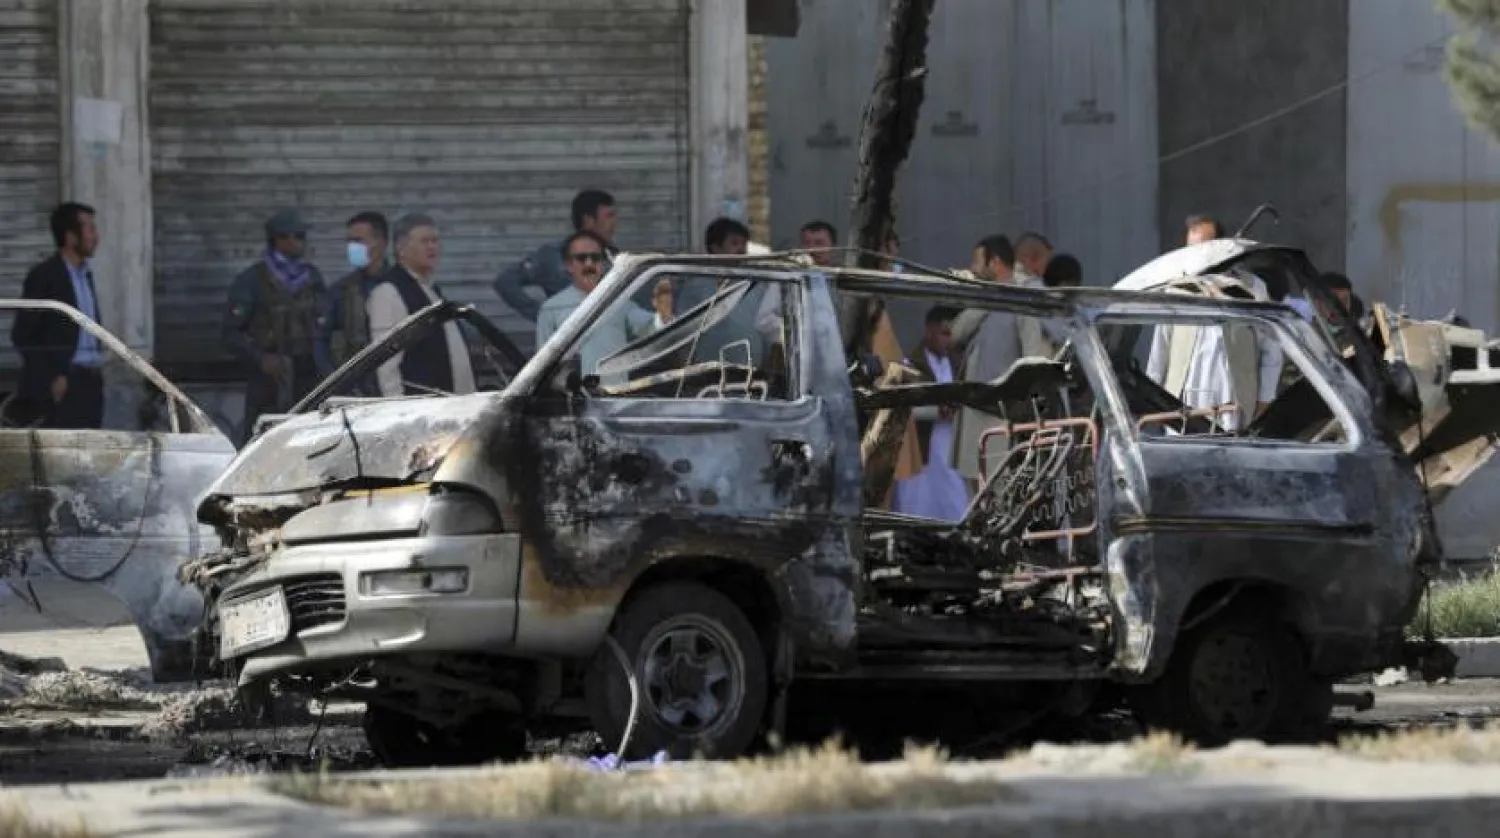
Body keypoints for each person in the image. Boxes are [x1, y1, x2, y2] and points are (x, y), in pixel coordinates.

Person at [223, 208, 327, 444]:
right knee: (262, 443)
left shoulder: (312, 277)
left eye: (300, 236)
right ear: (277, 240)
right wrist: (261, 358)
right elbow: (230, 334)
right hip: (268, 382)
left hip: (308, 377)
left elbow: (324, 325)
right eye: (291, 236)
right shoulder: (251, 281)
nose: (297, 242)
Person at [1145, 273, 1283, 432]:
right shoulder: (1177, 288)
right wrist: (1152, 399)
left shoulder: (1252, 287)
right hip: (1182, 411)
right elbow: (1160, 350)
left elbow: (1271, 350)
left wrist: (1263, 400)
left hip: (1232, 411)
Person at [11, 202, 106, 429]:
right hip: (62, 387)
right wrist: (53, 377)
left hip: (90, 384)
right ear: (71, 236)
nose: (96, 236)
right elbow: (23, 334)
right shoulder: (45, 276)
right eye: (90, 229)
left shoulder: (86, 276)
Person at [367, 214, 476, 398]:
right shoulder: (389, 293)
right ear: (401, 248)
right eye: (425, 241)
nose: (432, 247)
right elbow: (386, 366)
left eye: (435, 241)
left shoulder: (431, 290)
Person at [536, 231, 657, 383]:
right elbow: (542, 368)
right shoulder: (551, 309)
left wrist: (663, 313)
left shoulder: (619, 302)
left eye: (595, 258)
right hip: (572, 402)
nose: (589, 264)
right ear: (569, 265)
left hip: (615, 400)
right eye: (581, 258)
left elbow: (652, 328)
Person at [493, 189, 618, 326]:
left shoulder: (614, 258)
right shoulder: (554, 256)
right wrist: (544, 316)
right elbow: (505, 282)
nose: (614, 223)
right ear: (588, 221)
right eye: (609, 216)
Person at [892, 306, 970, 521]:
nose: (949, 341)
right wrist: (937, 410)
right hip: (921, 450)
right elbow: (901, 409)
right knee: (917, 507)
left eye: (952, 335)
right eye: (944, 334)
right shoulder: (910, 366)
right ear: (929, 331)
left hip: (951, 448)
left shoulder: (958, 364)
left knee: (955, 504)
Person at [317, 211, 389, 383]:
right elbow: (320, 342)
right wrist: (335, 383)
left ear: (381, 243)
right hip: (356, 390)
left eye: (358, 241)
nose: (352, 248)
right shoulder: (340, 291)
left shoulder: (403, 286)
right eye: (349, 241)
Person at [754, 219, 839, 347]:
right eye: (807, 243)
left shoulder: (844, 281)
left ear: (833, 247)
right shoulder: (787, 279)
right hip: (799, 355)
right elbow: (764, 322)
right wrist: (802, 330)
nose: (812, 249)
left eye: (819, 243)